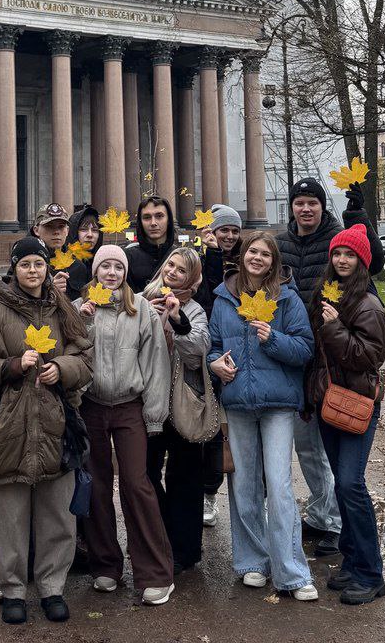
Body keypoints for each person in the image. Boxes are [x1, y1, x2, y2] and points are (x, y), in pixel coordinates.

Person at [0, 236, 93, 626]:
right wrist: (12, 366)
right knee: (9, 516)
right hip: (10, 427)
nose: (32, 271)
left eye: (38, 264)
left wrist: (62, 370)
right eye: (25, 265)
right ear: (15, 270)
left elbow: (84, 355)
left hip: (55, 425)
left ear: (47, 268)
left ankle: (52, 587)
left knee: (57, 513)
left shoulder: (63, 310)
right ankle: (14, 589)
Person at [277, 176, 383, 557]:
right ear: (292, 207)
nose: (306, 209)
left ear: (323, 207)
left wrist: (359, 214)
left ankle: (336, 522)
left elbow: (374, 259)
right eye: (299, 202)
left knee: (330, 448)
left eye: (313, 203)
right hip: (299, 353)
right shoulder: (281, 244)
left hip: (334, 356)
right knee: (307, 446)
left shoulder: (339, 238)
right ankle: (323, 513)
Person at [208, 230, 317, 600]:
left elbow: (305, 348)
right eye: (252, 252)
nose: (258, 258)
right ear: (242, 256)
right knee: (244, 485)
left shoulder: (287, 299)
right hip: (238, 401)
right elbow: (214, 345)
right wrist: (215, 365)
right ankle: (253, 561)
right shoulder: (223, 298)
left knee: (280, 486)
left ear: (273, 261)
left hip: (278, 404)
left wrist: (274, 339)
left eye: (265, 254)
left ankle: (292, 572)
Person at [77, 244, 175, 605]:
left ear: (125, 273)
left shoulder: (143, 310)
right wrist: (83, 321)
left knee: (137, 484)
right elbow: (70, 357)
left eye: (118, 267)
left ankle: (154, 572)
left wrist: (153, 416)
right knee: (98, 487)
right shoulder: (80, 309)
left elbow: (155, 364)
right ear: (96, 272)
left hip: (130, 406)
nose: (112, 273)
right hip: (92, 406)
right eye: (106, 267)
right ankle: (105, 565)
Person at [307, 225, 385, 605]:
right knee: (343, 487)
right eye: (338, 254)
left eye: (349, 255)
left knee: (351, 485)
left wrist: (334, 326)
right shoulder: (327, 295)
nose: (341, 260)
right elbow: (317, 353)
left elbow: (366, 356)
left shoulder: (368, 305)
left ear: (362, 262)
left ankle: (372, 574)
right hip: (330, 402)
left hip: (357, 404)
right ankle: (354, 562)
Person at [144, 246, 211, 575]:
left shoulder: (194, 310)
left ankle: (184, 549)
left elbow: (197, 351)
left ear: (193, 279)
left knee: (185, 476)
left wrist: (176, 319)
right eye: (170, 264)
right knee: (146, 474)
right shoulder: (142, 299)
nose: (172, 272)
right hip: (149, 402)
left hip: (183, 402)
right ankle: (159, 539)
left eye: (182, 270)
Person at [195, 204, 242, 527]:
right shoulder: (201, 261)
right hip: (211, 354)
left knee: (242, 431)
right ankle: (209, 493)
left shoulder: (245, 261)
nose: (227, 235)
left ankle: (253, 499)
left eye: (233, 230)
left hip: (240, 352)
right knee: (214, 432)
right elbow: (206, 296)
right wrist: (210, 256)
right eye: (222, 229)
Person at [125, 193, 177, 292]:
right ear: (140, 222)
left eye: (159, 216)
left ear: (168, 220)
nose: (153, 223)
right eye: (147, 217)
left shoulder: (181, 255)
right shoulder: (128, 257)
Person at [32, 202, 74, 296]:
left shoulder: (77, 265)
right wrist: (47, 289)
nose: (56, 232)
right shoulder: (26, 263)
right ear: (36, 230)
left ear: (67, 231)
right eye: (49, 226)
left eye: (61, 226)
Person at [64, 205, 101, 298]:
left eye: (95, 230)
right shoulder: (63, 266)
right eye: (83, 229)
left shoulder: (103, 265)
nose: (90, 235)